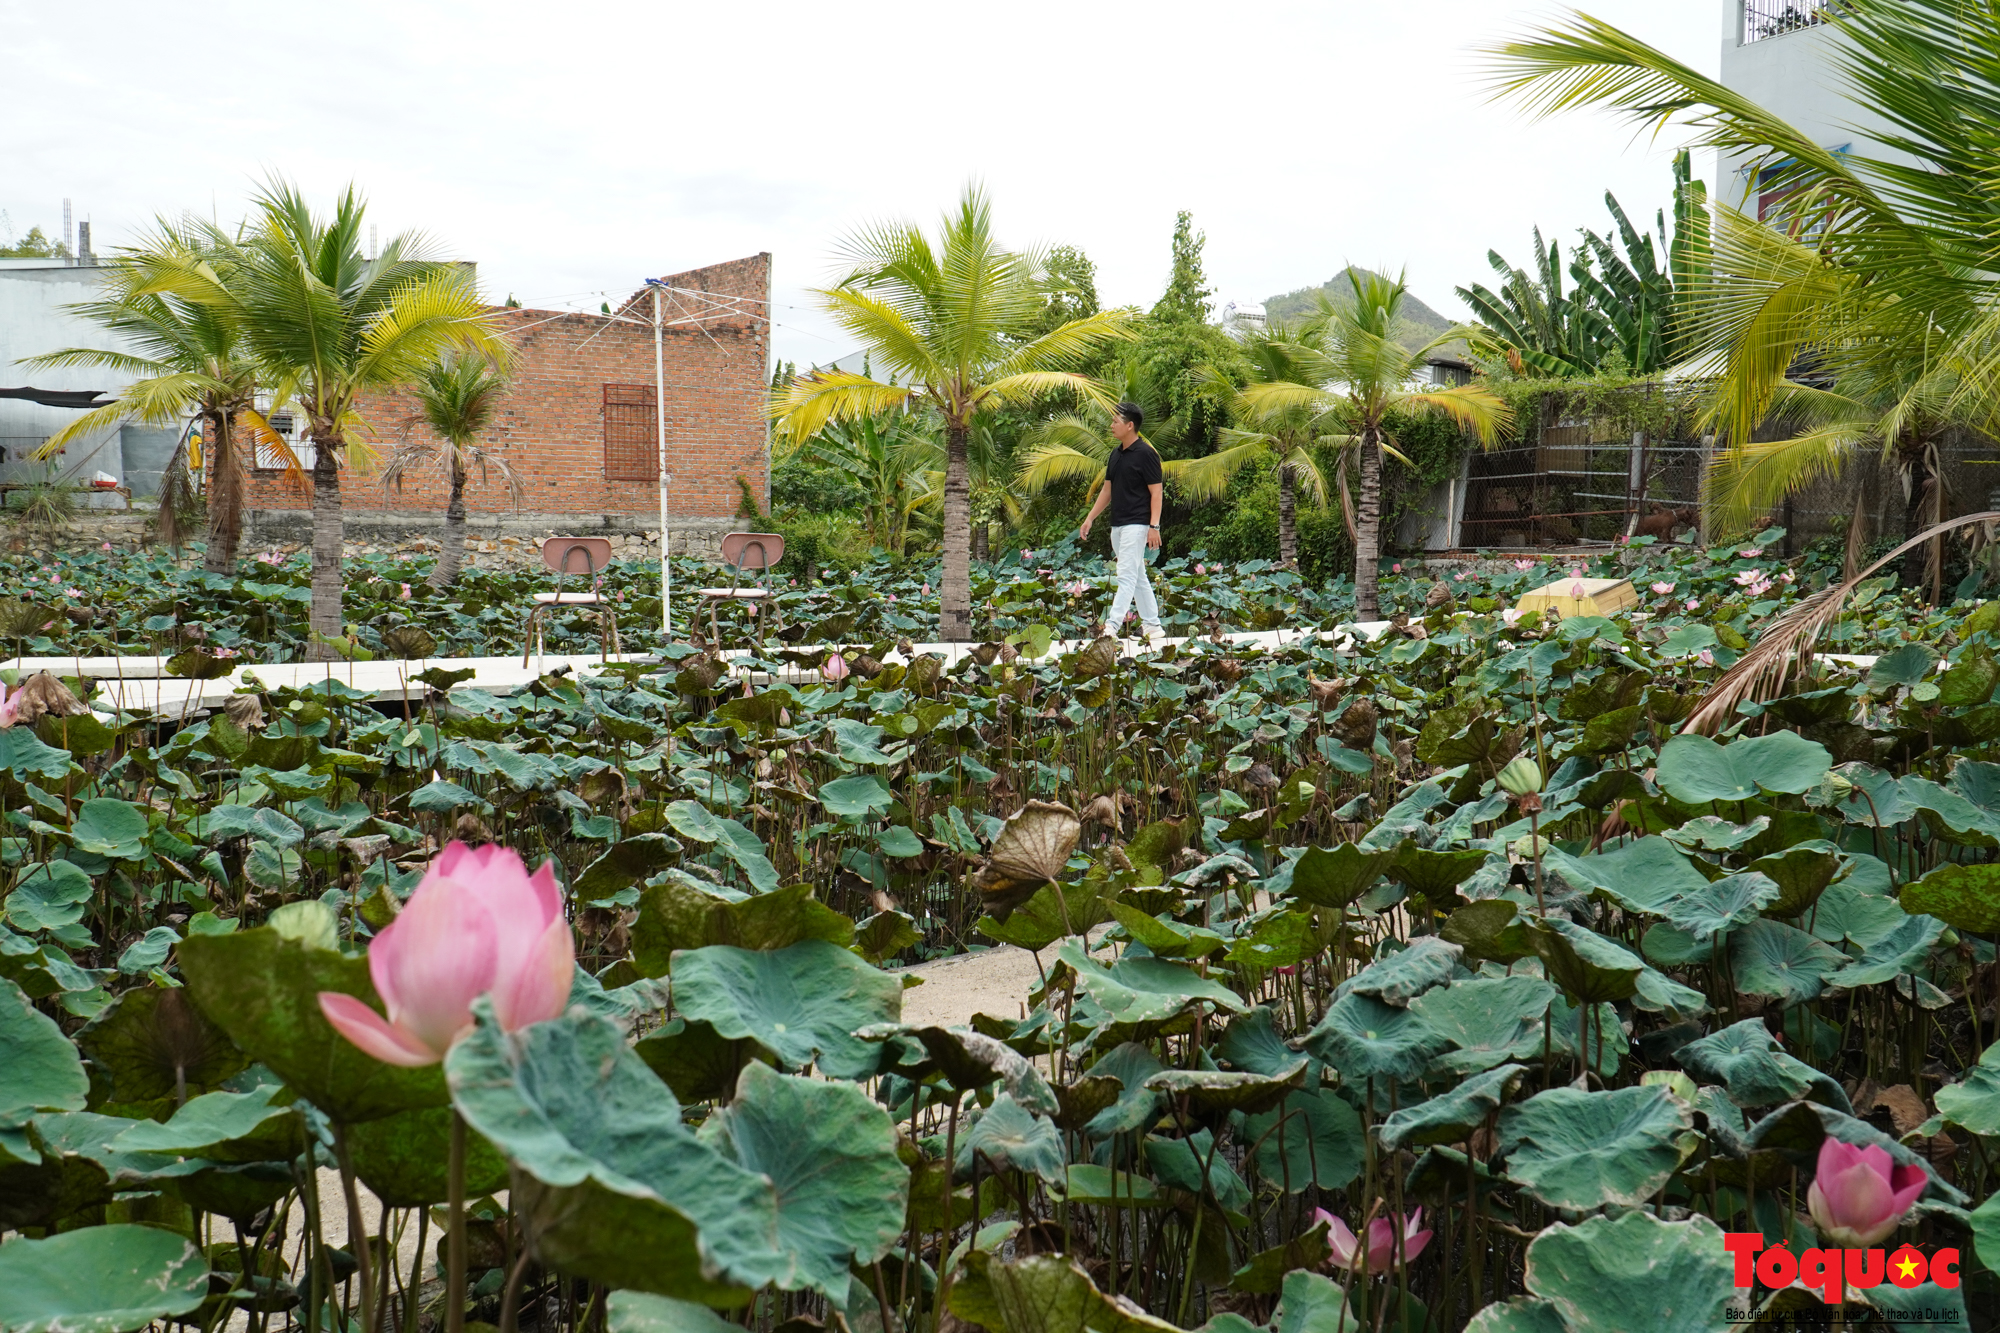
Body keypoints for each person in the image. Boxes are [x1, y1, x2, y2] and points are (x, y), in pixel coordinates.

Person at [1079, 401, 1165, 640]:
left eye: (1115, 421)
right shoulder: (1115, 454)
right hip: (1117, 525)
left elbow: (1156, 492)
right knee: (1137, 575)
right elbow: (1107, 490)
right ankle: (1153, 625)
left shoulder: (1147, 454)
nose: (1111, 425)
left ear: (1130, 425)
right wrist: (1090, 518)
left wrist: (1153, 527)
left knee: (1125, 575)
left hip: (1137, 524)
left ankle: (1111, 627)